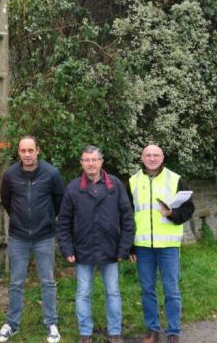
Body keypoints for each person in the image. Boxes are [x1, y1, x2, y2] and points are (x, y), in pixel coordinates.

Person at [56, 145, 134, 343]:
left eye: (94, 159)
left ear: (101, 162)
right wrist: (67, 248)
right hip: (83, 249)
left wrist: (124, 247)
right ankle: (85, 332)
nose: (91, 163)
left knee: (113, 292)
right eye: (86, 160)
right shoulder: (73, 188)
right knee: (83, 293)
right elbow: (63, 222)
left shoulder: (115, 185)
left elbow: (127, 218)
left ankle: (115, 332)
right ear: (81, 163)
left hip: (111, 249)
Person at [0, 136, 64, 343]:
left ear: (37, 151)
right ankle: (11, 324)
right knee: (16, 282)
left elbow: (59, 200)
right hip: (19, 236)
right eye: (23, 151)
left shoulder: (51, 173)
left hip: (44, 236)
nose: (27, 154)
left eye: (30, 150)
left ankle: (51, 323)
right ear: (18, 152)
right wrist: (18, 218)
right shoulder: (10, 175)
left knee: (48, 281)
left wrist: (46, 220)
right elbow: (6, 200)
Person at [129, 145, 195, 343]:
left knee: (171, 289)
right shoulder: (133, 182)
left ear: (162, 157)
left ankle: (173, 332)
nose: (152, 158)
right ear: (142, 158)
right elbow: (126, 216)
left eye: (156, 155)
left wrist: (172, 214)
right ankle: (152, 331)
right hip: (143, 247)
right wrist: (130, 246)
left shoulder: (175, 179)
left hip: (168, 246)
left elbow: (189, 209)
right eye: (148, 155)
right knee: (147, 289)